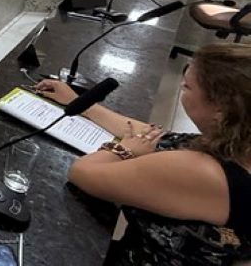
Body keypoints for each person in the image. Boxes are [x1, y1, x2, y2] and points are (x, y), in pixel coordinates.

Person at [35, 44, 251, 266]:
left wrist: (123, 150)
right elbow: (154, 136)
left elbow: (82, 172)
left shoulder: (201, 171)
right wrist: (82, 104)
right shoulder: (238, 142)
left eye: (187, 86)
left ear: (221, 109)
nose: (180, 87)